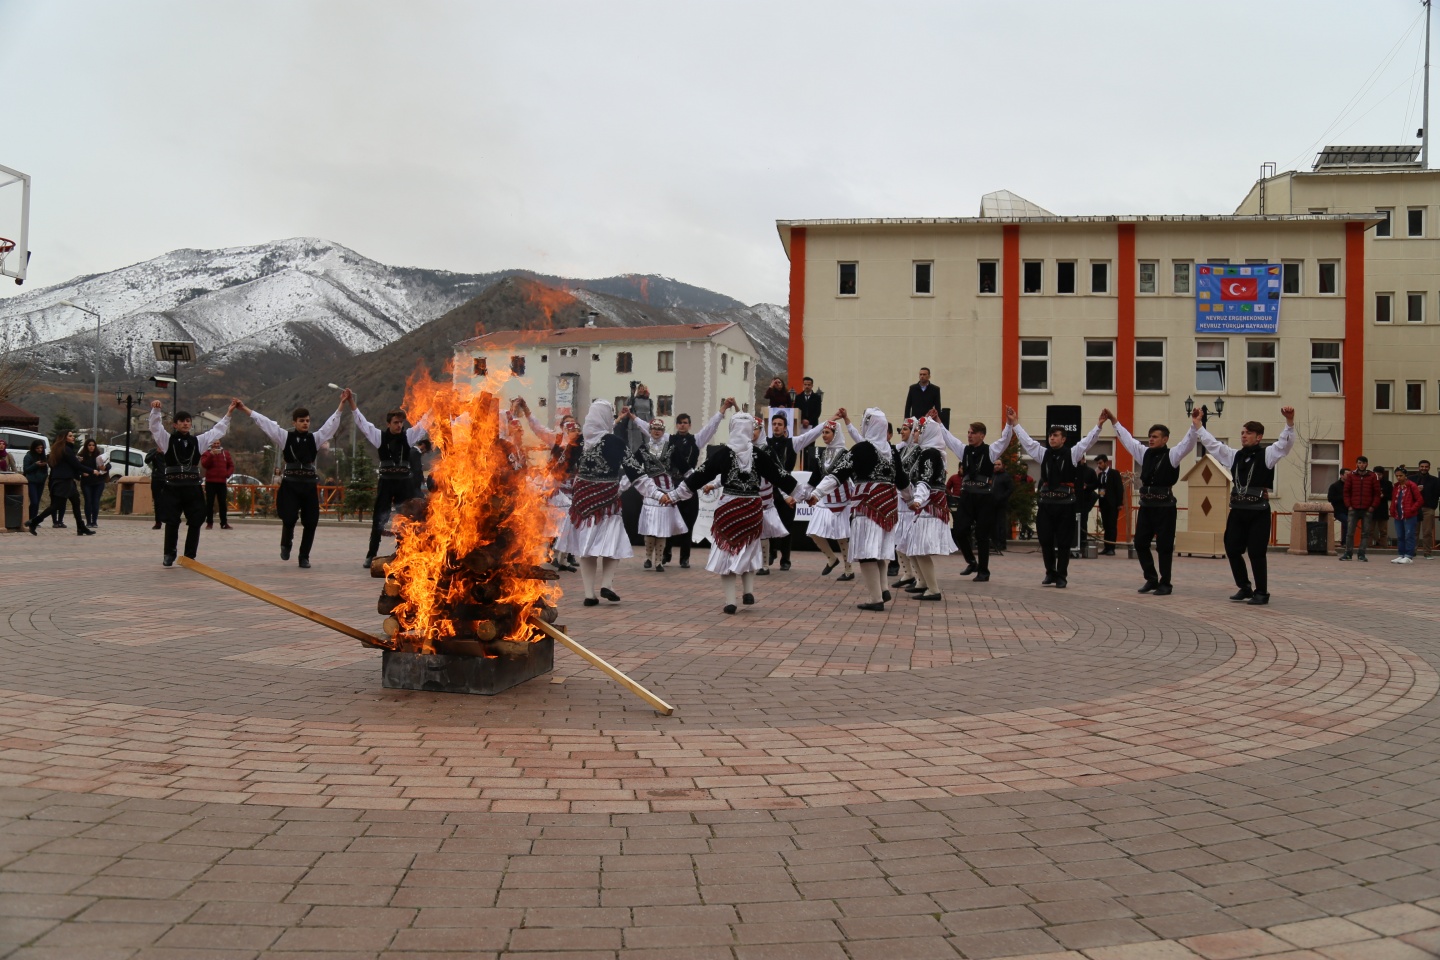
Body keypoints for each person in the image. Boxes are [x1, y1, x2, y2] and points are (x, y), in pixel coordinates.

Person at [662, 412, 799, 614]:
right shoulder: (760, 455)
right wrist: (805, 494)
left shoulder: (722, 454)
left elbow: (699, 476)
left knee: (726, 552)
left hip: (728, 508)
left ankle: (730, 601)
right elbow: (782, 476)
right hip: (752, 509)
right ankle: (748, 590)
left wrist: (673, 495)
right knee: (750, 548)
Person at [805, 408, 910, 611]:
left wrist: (817, 493)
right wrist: (911, 500)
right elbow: (903, 481)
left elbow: (838, 474)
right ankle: (883, 588)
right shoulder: (891, 450)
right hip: (888, 506)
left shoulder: (861, 449)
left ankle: (875, 598)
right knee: (880, 550)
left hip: (868, 504)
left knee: (866, 552)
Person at [1194, 405, 1297, 605]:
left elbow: (1285, 445)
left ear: (1258, 437)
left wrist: (1289, 422)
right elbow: (1214, 445)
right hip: (1238, 510)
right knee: (1232, 548)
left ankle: (1262, 593)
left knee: (1256, 552)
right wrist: (1198, 426)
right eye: (1242, 432)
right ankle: (1244, 586)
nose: (1243, 436)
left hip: (1258, 511)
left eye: (1248, 433)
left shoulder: (1267, 454)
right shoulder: (1234, 456)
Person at [238, 392, 345, 568]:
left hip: (309, 484)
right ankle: (286, 543)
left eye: (307, 421)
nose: (305, 423)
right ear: (294, 422)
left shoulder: (315, 439)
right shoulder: (285, 437)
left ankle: (304, 556)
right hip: (291, 484)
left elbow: (330, 426)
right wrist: (245, 410)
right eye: (301, 420)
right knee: (288, 518)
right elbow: (265, 423)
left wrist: (341, 404)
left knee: (311, 522)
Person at [556, 399, 641, 606]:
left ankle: (589, 594)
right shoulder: (616, 442)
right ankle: (607, 584)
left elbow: (558, 468)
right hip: (608, 502)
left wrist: (538, 486)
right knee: (612, 543)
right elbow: (635, 471)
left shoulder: (578, 441)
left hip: (583, 503)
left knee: (587, 548)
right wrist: (657, 494)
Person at [1009, 407, 1102, 588]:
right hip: (1046, 504)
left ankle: (1062, 575)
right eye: (1050, 435)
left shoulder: (1072, 454)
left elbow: (1087, 442)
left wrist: (1098, 426)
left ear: (1064, 439)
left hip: (1065, 504)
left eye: (1056, 435)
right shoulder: (1043, 453)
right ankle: (1050, 572)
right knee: (1045, 539)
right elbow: (1027, 442)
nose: (1052, 438)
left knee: (1065, 542)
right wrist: (1015, 423)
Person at [1106, 413, 1198, 595]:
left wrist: (1195, 426)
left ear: (1165, 439)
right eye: (1150, 436)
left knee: (1164, 546)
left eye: (1155, 437)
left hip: (1165, 507)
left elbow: (1187, 444)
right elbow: (1128, 441)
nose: (1151, 439)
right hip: (1147, 507)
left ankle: (1166, 583)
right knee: (1140, 543)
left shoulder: (1173, 455)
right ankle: (1151, 578)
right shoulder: (1144, 454)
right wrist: (1115, 422)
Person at [145, 401, 239, 564]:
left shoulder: (198, 441)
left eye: (188, 421)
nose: (185, 423)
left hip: (192, 487)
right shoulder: (167, 441)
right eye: (181, 421)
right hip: (173, 487)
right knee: (172, 521)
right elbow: (155, 427)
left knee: (196, 520)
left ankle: (190, 555)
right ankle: (169, 554)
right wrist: (155, 410)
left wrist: (228, 414)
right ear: (175, 424)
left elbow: (216, 431)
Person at [351, 396, 430, 569]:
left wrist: (436, 404)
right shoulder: (379, 437)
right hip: (386, 483)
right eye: (395, 422)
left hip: (404, 484)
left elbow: (424, 424)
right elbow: (363, 424)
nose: (399, 426)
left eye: (401, 423)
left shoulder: (408, 437)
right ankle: (371, 554)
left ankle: (405, 553)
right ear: (389, 423)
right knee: (379, 519)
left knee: (407, 519)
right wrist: (352, 405)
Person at [936, 416, 1014, 582]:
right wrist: (938, 422)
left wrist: (1008, 424)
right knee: (959, 530)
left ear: (982, 435)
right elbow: (949, 439)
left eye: (973, 433)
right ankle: (971, 561)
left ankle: (984, 571)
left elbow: (1005, 440)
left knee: (982, 534)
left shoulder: (991, 451)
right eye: (968, 432)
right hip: (967, 496)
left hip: (984, 497)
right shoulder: (964, 450)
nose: (969, 435)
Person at [898, 417, 956, 600]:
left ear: (926, 433)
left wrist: (917, 499)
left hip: (930, 506)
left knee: (920, 549)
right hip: (926, 505)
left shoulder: (929, 453)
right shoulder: (926, 452)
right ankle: (922, 582)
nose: (915, 433)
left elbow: (925, 480)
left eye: (918, 431)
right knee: (911, 546)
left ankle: (934, 589)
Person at [796, 418, 857, 581]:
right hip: (825, 499)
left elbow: (851, 476)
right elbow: (815, 477)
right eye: (823, 432)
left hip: (842, 499)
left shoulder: (845, 454)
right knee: (813, 532)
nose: (824, 435)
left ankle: (849, 570)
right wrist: (801, 494)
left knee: (841, 536)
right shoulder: (823, 454)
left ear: (835, 434)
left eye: (827, 432)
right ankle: (831, 558)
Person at [628, 417, 689, 572]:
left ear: (663, 432)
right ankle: (648, 557)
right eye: (654, 428)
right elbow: (632, 467)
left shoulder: (671, 447)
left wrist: (696, 480)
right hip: (649, 490)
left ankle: (658, 561)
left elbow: (684, 467)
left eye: (659, 429)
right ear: (649, 431)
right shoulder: (643, 448)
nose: (656, 431)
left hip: (667, 490)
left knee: (661, 528)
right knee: (650, 527)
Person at [760, 413, 807, 572]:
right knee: (770, 523)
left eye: (780, 424)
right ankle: (771, 551)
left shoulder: (791, 443)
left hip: (786, 486)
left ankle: (785, 559)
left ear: (785, 427)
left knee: (787, 525)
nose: (776, 427)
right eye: (774, 424)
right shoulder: (766, 443)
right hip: (770, 489)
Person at [27, 431, 93, 536]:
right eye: (70, 436)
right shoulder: (66, 449)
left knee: (76, 502)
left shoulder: (61, 449)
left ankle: (81, 527)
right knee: (56, 505)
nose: (73, 438)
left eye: (73, 436)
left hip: (66, 481)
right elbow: (76, 465)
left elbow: (69, 466)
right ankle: (34, 522)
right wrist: (92, 471)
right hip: (63, 482)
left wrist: (79, 472)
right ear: (64, 438)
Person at [662, 411, 700, 568]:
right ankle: (666, 553)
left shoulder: (696, 440)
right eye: (680, 423)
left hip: (689, 483)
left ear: (689, 425)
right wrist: (632, 417)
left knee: (688, 521)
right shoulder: (669, 439)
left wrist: (722, 411)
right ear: (676, 425)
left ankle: (685, 557)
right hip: (672, 482)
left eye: (685, 422)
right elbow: (649, 430)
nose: (682, 425)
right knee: (669, 519)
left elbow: (712, 427)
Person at [1339, 456, 1381, 562]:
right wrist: (1349, 505)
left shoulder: (1372, 476)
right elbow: (1346, 492)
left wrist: (1373, 506)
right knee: (1350, 532)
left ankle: (1361, 553)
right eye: (1359, 463)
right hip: (1353, 508)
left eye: (1363, 463)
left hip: (1367, 509)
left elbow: (1377, 493)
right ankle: (1348, 553)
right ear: (1356, 464)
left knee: (1365, 533)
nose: (1361, 465)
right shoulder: (1351, 476)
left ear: (1367, 464)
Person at [1391, 466, 1423, 564]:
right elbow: (1394, 500)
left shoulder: (1412, 486)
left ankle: (1409, 555)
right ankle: (1401, 554)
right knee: (1400, 536)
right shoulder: (1396, 486)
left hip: (1409, 515)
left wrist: (1411, 509)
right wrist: (1392, 509)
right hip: (1398, 514)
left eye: (1401, 475)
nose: (1399, 477)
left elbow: (1420, 500)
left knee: (1409, 535)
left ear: (1406, 476)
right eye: (1397, 476)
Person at [1093, 454, 1123, 555]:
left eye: (1100, 463)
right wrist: (1100, 505)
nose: (1099, 465)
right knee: (1106, 525)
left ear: (1106, 462)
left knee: (1112, 526)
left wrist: (1120, 503)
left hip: (1113, 504)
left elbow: (1119, 488)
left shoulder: (1114, 473)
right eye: (1097, 464)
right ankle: (1106, 547)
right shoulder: (1100, 475)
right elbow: (1101, 490)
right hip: (1104, 504)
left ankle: (1112, 547)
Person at [201, 439, 235, 530]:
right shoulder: (206, 453)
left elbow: (231, 465)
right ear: (211, 445)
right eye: (214, 443)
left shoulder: (225, 453)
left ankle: (224, 523)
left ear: (220, 444)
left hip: (222, 482)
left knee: (223, 504)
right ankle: (209, 523)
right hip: (210, 482)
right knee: (209, 503)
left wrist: (227, 474)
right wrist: (211, 455)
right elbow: (204, 464)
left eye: (218, 443)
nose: (216, 445)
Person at [77, 438, 110, 529]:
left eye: (93, 445)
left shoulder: (99, 456)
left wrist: (104, 468)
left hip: (98, 481)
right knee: (88, 501)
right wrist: (82, 473)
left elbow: (108, 465)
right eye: (89, 445)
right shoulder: (81, 456)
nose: (91, 447)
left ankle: (94, 521)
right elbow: (77, 467)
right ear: (86, 446)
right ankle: (88, 521)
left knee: (95, 501)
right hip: (86, 482)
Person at [1415, 460, 1439, 558]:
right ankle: (1411, 552)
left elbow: (1438, 494)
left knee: (1427, 532)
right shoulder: (1411, 479)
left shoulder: (1435, 480)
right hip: (1414, 508)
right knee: (1413, 531)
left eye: (1426, 466)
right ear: (1419, 467)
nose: (1424, 468)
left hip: (1428, 508)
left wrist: (1433, 504)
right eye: (1422, 466)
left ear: (1429, 468)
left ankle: (1427, 553)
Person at [21, 439, 47, 527]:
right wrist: (35, 465)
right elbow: (26, 469)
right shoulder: (28, 456)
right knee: (34, 501)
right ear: (34, 448)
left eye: (41, 448)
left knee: (37, 502)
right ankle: (30, 519)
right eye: (38, 448)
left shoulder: (43, 456)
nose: (40, 450)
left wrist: (44, 476)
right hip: (32, 481)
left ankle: (34, 520)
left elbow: (46, 470)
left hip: (41, 482)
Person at [144, 447, 167, 530]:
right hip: (157, 478)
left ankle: (167, 518)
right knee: (157, 501)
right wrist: (156, 452)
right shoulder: (153, 451)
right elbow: (147, 460)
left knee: (168, 500)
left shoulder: (169, 449)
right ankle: (158, 522)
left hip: (167, 478)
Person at [1370, 466, 1393, 549]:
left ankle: (1384, 546)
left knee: (1383, 530)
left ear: (1382, 474)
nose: (1377, 476)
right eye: (1375, 474)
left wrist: (1384, 495)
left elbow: (1391, 496)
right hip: (1371, 508)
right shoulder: (1370, 482)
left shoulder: (1387, 484)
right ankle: (1368, 546)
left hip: (1382, 509)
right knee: (1369, 530)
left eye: (1379, 474)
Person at [1327, 469, 1348, 545]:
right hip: (1338, 510)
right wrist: (1342, 497)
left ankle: (1346, 542)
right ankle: (1345, 542)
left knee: (1349, 524)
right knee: (1347, 522)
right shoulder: (1334, 486)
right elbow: (1330, 498)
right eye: (1347, 474)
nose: (1349, 476)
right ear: (1341, 475)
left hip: (1349, 509)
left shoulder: (1351, 485)